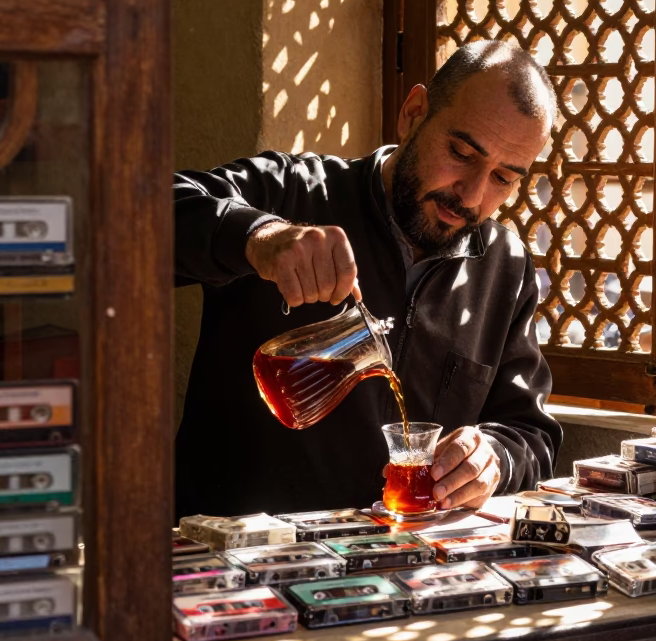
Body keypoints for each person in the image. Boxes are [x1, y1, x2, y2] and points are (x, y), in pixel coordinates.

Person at [174, 41, 562, 518]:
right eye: (461, 153)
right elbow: (133, 217)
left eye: (503, 178)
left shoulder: (505, 265)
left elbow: (531, 433)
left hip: (403, 569)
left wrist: (492, 459)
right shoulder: (292, 194)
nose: (472, 195)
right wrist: (259, 237)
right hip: (234, 559)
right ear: (413, 113)